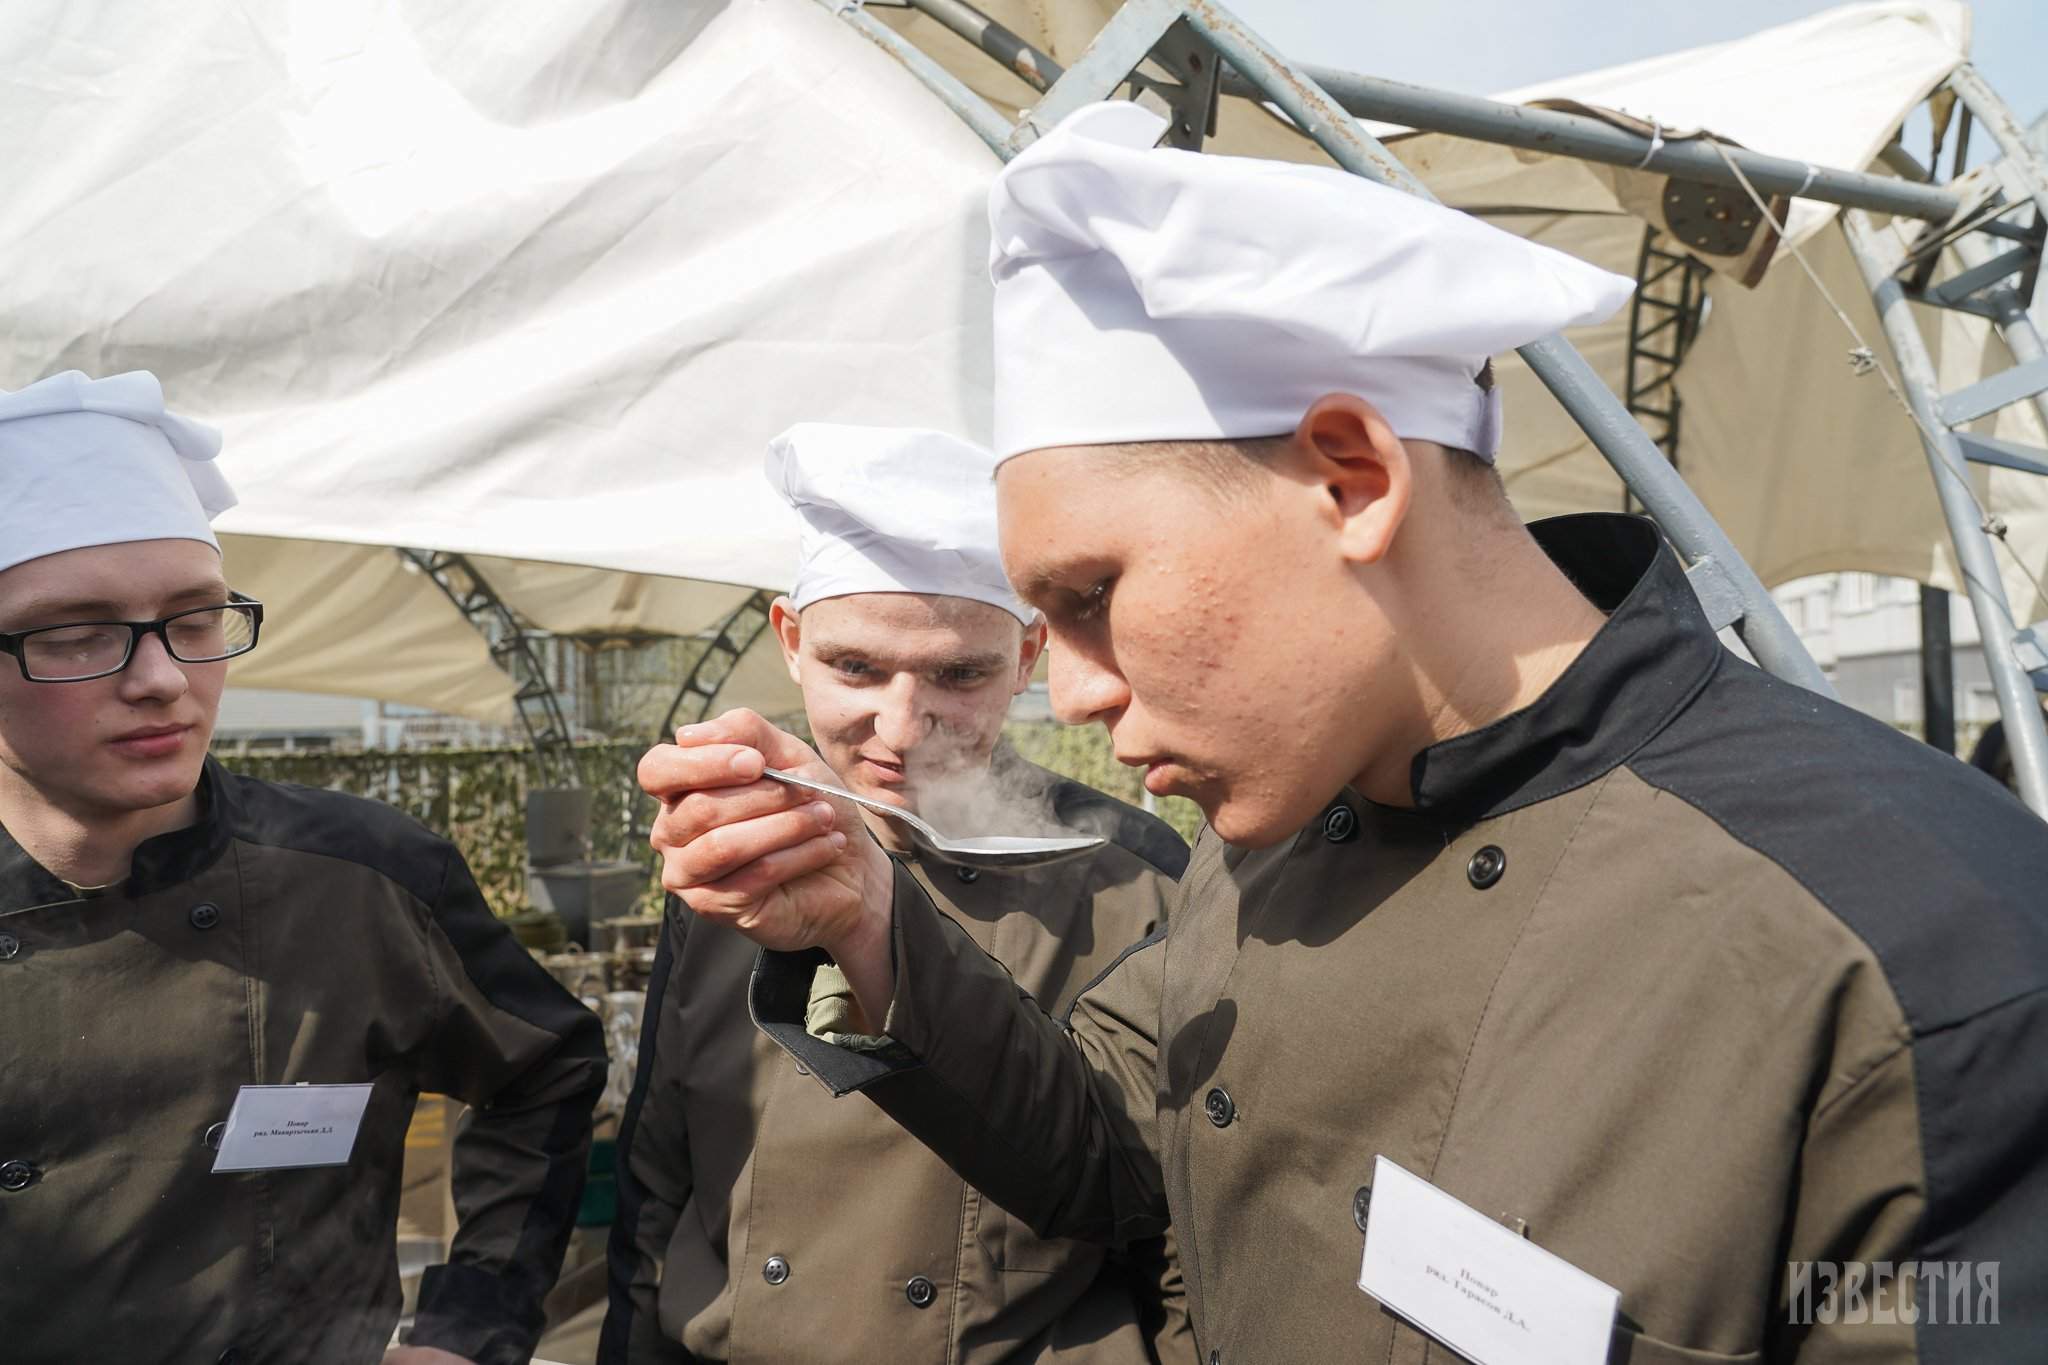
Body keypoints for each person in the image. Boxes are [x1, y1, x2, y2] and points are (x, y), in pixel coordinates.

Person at [636, 102, 2048, 1364]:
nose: (1062, 694)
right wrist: (866, 916)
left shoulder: (1918, 940)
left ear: (1355, 477)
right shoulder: (1256, 857)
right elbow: (1106, 1153)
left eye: (1092, 599)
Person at [0, 370, 607, 1365]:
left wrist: (465, 1328)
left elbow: (545, 1070)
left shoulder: (362, 874)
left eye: (195, 622)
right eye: (79, 636)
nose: (161, 680)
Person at [601, 423, 1193, 1364]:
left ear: (1029, 655)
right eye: (856, 667)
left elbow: (1173, 1230)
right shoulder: (739, 852)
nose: (903, 726)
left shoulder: (1131, 874)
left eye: (960, 673)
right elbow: (657, 1180)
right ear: (791, 641)